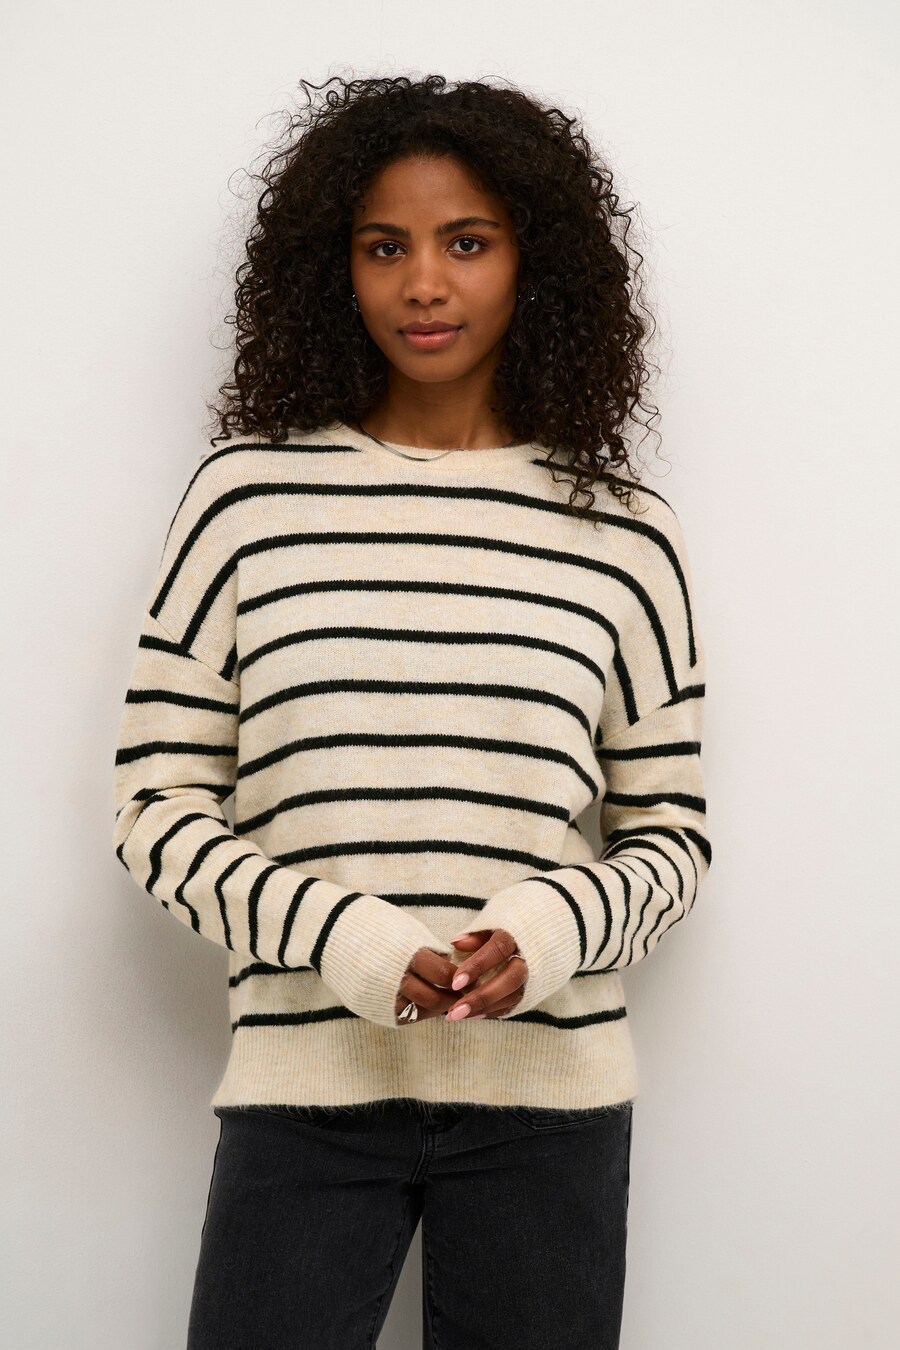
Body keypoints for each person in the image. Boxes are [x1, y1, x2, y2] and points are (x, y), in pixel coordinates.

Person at [112, 73, 712, 1350]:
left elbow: (673, 836)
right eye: (384, 247)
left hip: (549, 1107)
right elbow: (155, 807)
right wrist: (345, 937)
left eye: (467, 243)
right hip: (305, 1094)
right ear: (334, 267)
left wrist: (551, 930)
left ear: (534, 260)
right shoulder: (246, 503)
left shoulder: (623, 532)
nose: (424, 285)